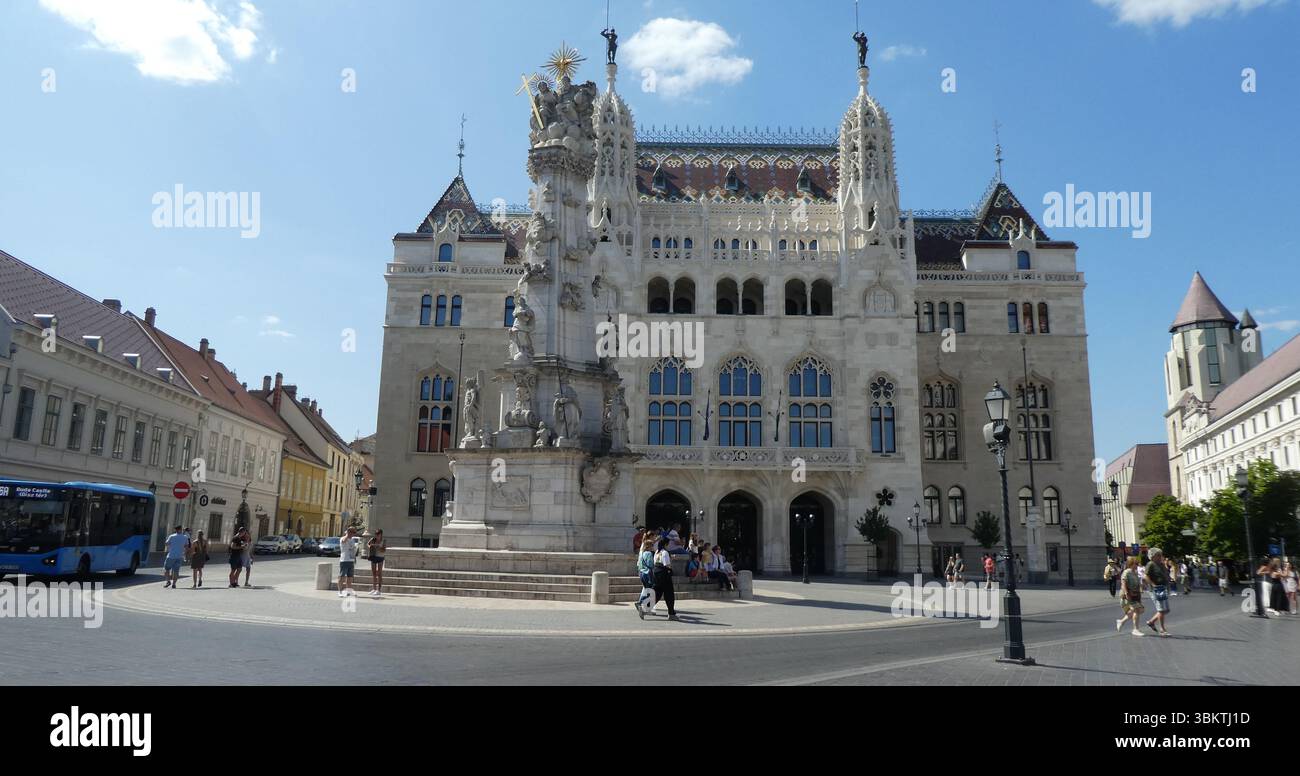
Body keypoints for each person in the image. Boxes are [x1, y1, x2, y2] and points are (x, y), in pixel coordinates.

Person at [1115, 556, 1145, 636]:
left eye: (1137, 564)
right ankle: (1135, 629)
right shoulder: (1126, 572)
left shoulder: (1134, 572)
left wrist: (1141, 587)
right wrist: (1126, 594)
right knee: (1136, 610)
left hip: (1135, 595)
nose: (1137, 565)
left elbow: (1137, 583)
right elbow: (1123, 583)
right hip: (1128, 595)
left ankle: (1121, 621)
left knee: (1140, 610)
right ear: (1131, 564)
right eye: (1136, 564)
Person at [1144, 548, 1171, 636]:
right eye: (1158, 555)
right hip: (1155, 589)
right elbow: (1145, 576)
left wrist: (1168, 584)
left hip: (1163, 588)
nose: (1160, 557)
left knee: (1166, 610)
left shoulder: (1161, 564)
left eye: (1160, 555)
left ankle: (1151, 622)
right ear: (1152, 556)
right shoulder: (1150, 564)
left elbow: (1166, 575)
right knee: (1161, 609)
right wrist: (1153, 584)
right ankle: (1162, 629)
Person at [652, 537, 678, 621]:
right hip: (664, 574)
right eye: (668, 544)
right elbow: (667, 564)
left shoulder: (657, 551)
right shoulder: (665, 552)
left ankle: (645, 607)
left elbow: (655, 562)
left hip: (656, 573)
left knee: (658, 593)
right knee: (669, 593)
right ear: (666, 544)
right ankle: (671, 613)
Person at [634, 538, 656, 619]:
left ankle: (644, 607)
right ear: (649, 546)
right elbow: (650, 564)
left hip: (642, 573)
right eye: (652, 545)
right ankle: (641, 604)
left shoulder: (642, 553)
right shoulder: (649, 554)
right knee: (650, 590)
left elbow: (640, 565)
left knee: (647, 590)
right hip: (647, 574)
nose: (653, 547)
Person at [337, 527, 362, 597]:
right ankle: (340, 591)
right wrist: (347, 535)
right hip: (344, 560)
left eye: (354, 532)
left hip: (351, 560)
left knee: (350, 577)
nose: (353, 534)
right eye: (352, 532)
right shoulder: (343, 538)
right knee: (342, 576)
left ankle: (348, 591)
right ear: (348, 532)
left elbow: (353, 550)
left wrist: (354, 559)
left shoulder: (352, 540)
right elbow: (343, 541)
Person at [162, 525, 188, 589]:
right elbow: (186, 547)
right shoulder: (185, 537)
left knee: (166, 569)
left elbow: (166, 543)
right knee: (176, 571)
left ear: (176, 530)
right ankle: (174, 584)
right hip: (179, 556)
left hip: (171, 556)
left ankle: (168, 581)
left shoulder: (172, 536)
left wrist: (171, 545)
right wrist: (184, 554)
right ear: (180, 530)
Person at [367, 529, 386, 596]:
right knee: (374, 573)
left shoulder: (383, 541)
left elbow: (384, 550)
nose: (377, 535)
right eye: (376, 534)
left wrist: (378, 547)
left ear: (381, 534)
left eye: (378, 534)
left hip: (380, 557)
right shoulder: (373, 539)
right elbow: (368, 544)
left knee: (379, 573)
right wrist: (371, 547)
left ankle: (379, 590)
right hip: (373, 556)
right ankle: (374, 589)